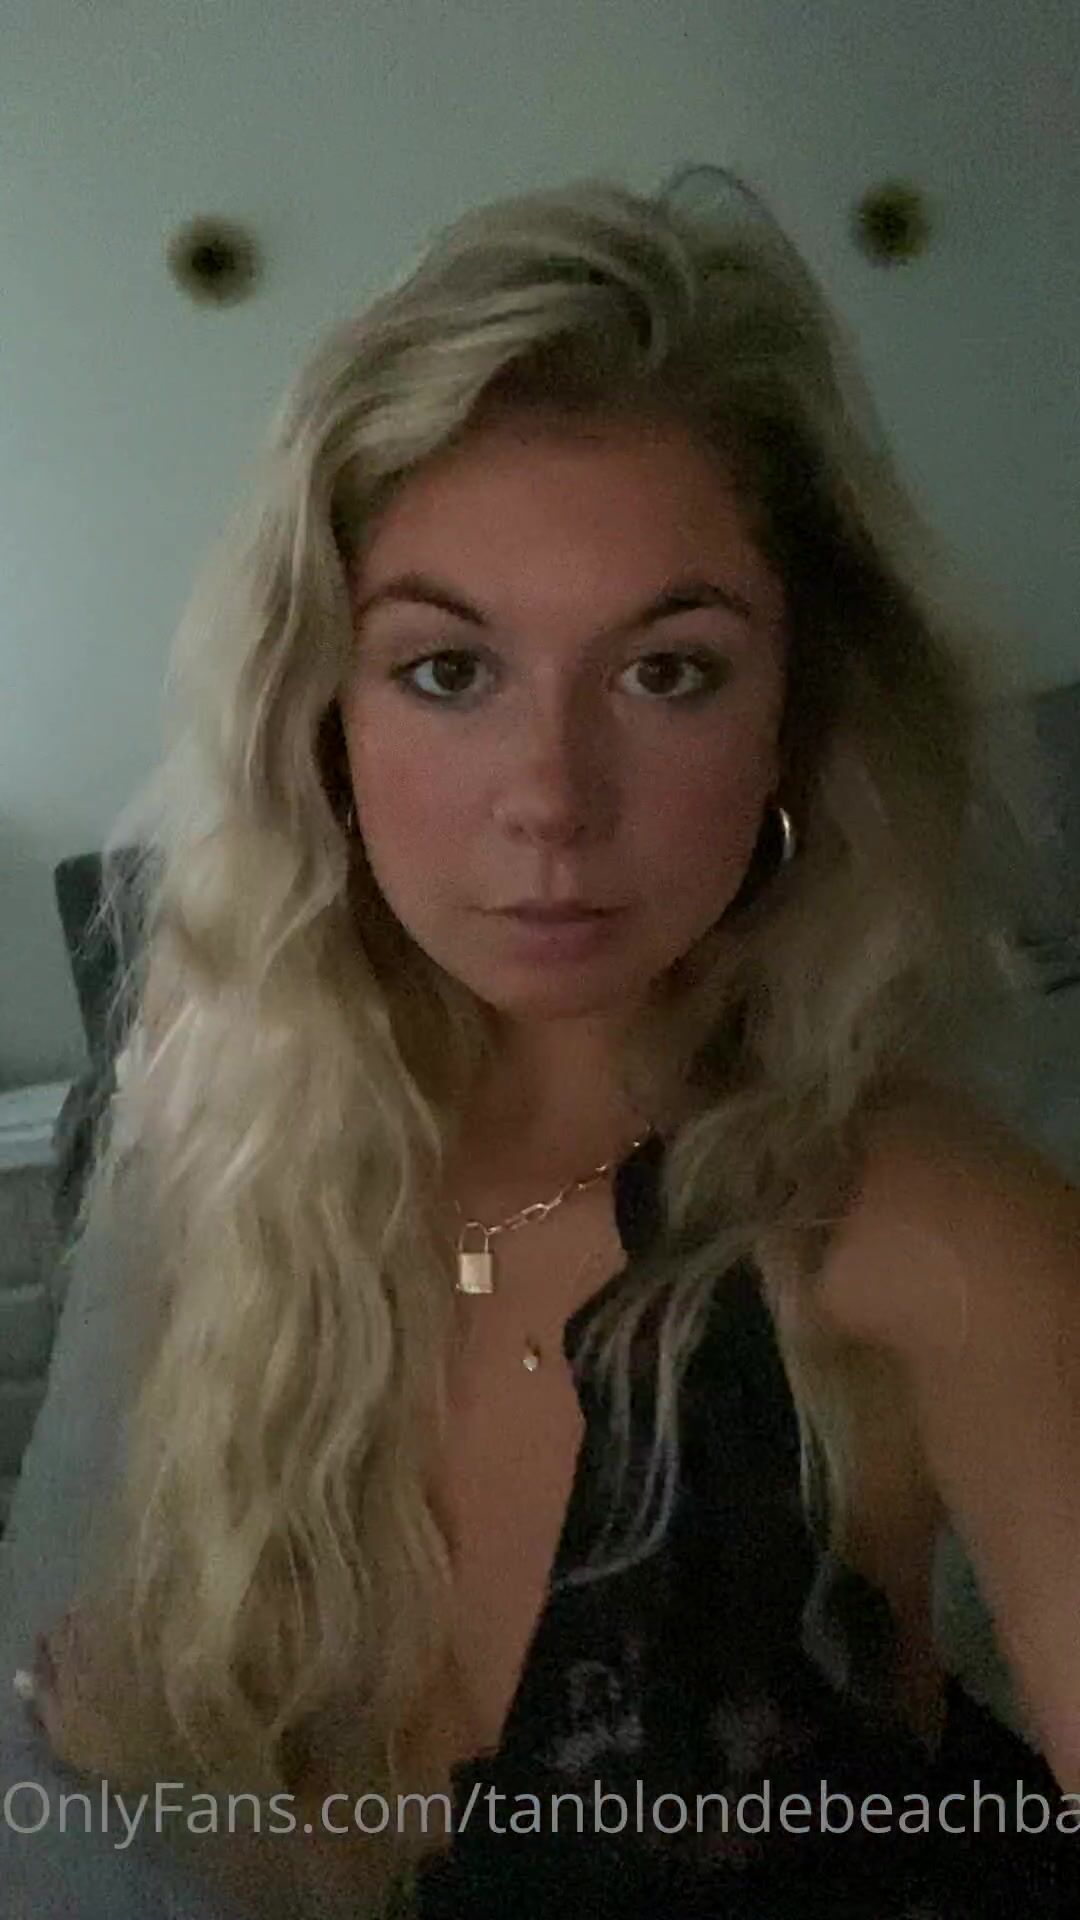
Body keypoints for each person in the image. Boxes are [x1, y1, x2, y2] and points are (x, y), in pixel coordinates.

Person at [3, 170, 1079, 1918]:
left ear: (798, 718)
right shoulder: (237, 1144)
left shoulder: (931, 1239)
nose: (551, 804)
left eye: (669, 673)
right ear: (320, 718)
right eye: (449, 671)